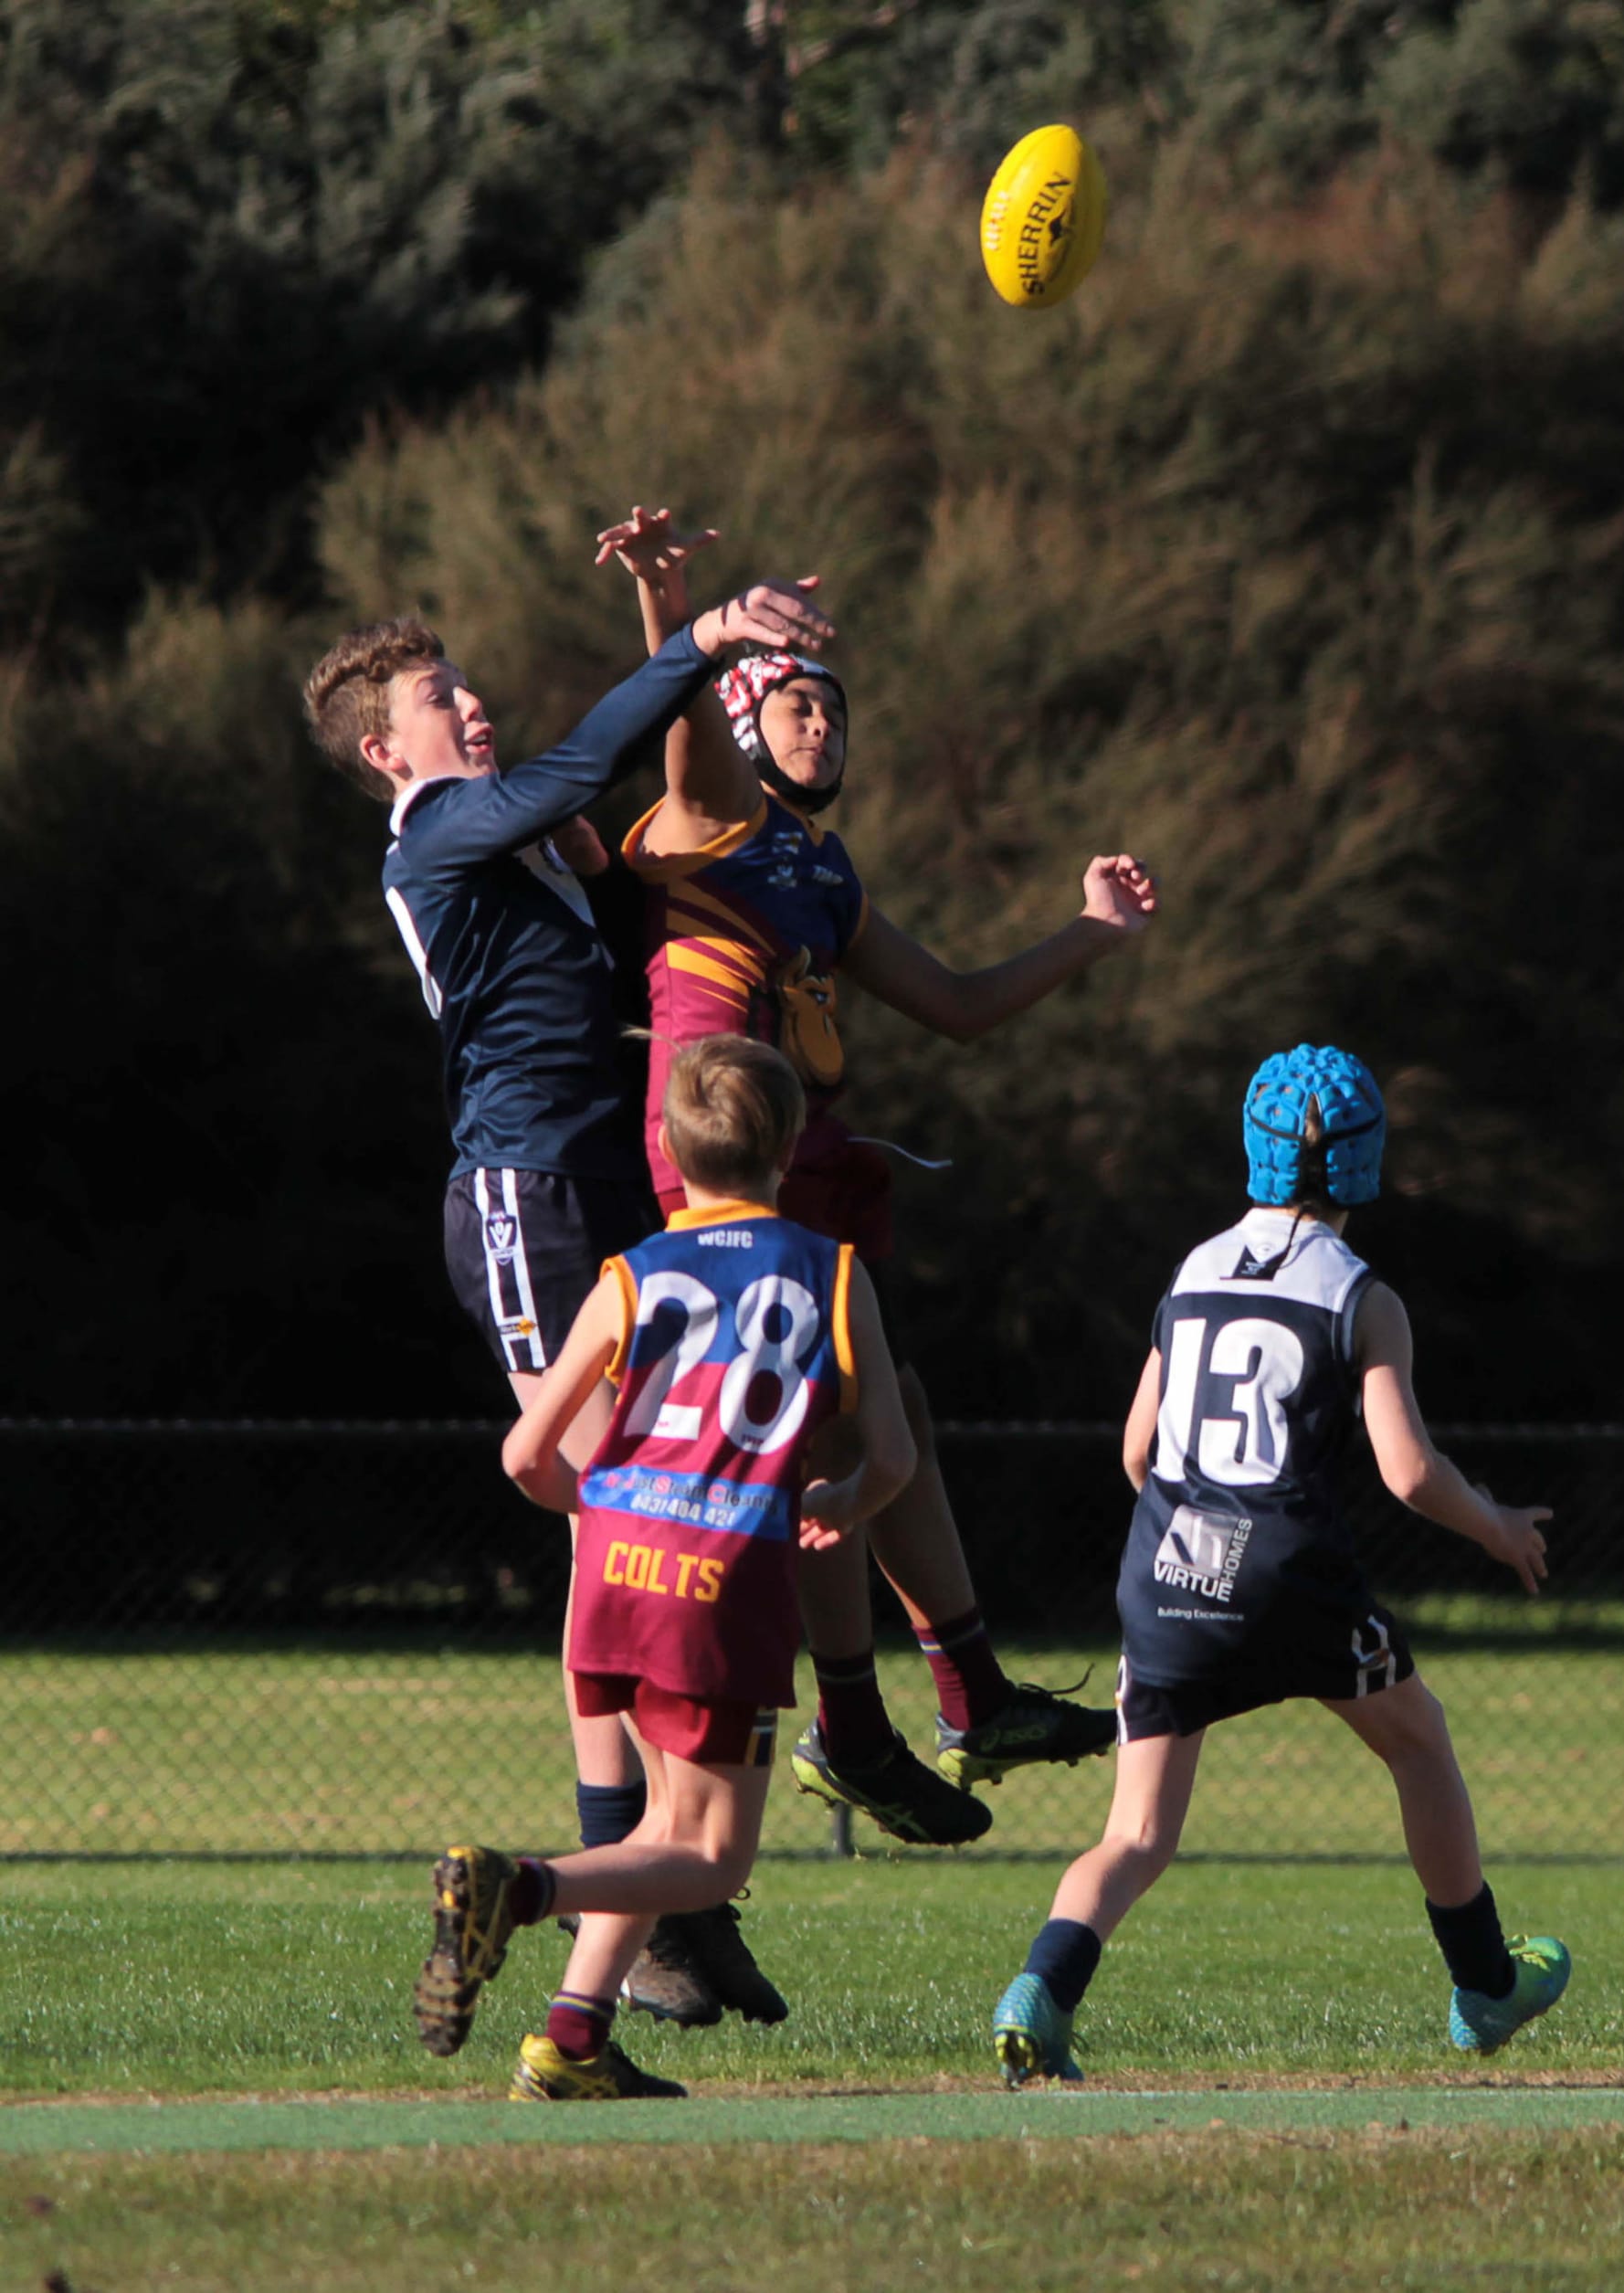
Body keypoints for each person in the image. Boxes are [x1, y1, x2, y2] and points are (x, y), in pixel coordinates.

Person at [303, 544, 830, 2032]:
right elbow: (585, 761)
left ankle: (670, 1895)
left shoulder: (529, 846)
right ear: (379, 749)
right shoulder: (439, 834)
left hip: (611, 1194)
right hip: (525, 1200)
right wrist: (710, 639)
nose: (464, 704)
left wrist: (676, 635)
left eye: (462, 683)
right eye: (435, 694)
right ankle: (642, 1889)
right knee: (628, 1514)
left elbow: (627, 843)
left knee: (657, 1519)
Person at [602, 508, 1158, 1847]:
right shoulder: (712, 819)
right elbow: (682, 734)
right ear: (740, 719)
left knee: (886, 1409)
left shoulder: (818, 866)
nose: (820, 725)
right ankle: (866, 1724)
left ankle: (962, 1695)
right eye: (793, 704)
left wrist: (1091, 932)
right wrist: (686, 620)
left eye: (832, 710)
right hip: (725, 1165)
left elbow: (959, 1004)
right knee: (838, 1437)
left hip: (810, 1155)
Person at [990, 1043, 1572, 2085]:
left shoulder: (1193, 1269)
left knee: (1134, 1832)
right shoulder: (1361, 1293)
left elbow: (1136, 1451)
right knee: (1419, 1743)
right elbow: (1406, 1471)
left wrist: (1195, 1547)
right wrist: (1493, 1525)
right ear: (1363, 1161)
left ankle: (1038, 1990)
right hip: (1290, 1573)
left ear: (1252, 1151)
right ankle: (1484, 1982)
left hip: (1166, 1571)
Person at [412, 1032, 916, 2098]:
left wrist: (604, 1512)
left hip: (615, 1567)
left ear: (669, 1150)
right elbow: (893, 1455)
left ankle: (572, 2037)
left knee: (660, 1823)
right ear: (786, 1144)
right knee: (714, 1854)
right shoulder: (830, 1270)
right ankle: (519, 1888)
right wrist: (833, 1503)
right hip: (721, 1577)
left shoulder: (628, 1273)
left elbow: (524, 1455)